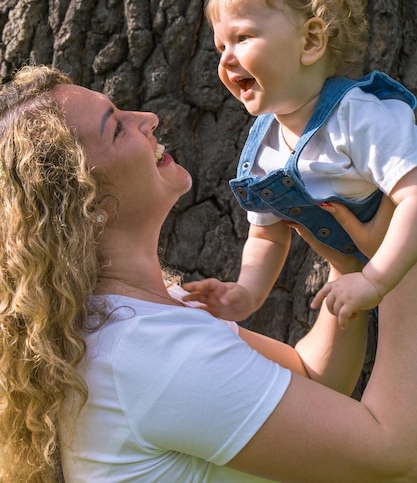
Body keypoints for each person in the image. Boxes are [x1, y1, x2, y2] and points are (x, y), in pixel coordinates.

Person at [1, 65, 417, 483]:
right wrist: (400, 259)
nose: (147, 119)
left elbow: (312, 379)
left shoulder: (142, 317)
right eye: (116, 128)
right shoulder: (147, 353)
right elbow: (393, 456)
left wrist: (347, 266)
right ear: (87, 207)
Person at [184, 0, 417, 329]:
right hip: (366, 282)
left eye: (242, 37)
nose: (225, 58)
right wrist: (245, 294)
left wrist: (376, 279)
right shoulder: (263, 151)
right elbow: (267, 237)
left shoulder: (359, 117)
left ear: (310, 42)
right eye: (220, 46)